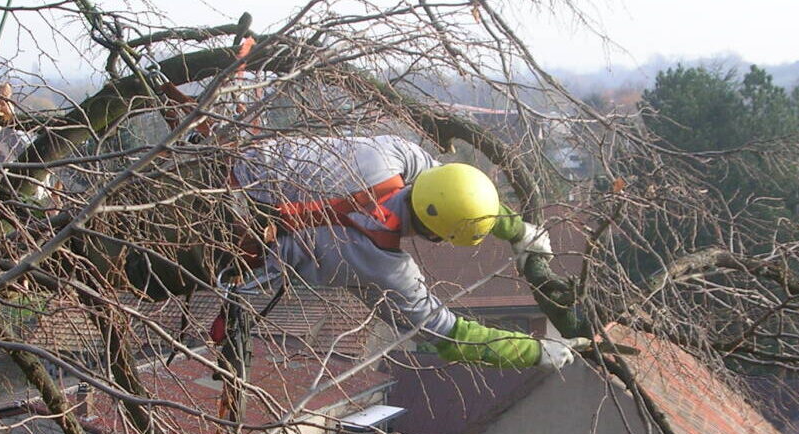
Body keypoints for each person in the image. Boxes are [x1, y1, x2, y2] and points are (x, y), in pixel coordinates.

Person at [225, 135, 582, 370]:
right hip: (223, 252)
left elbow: (451, 186)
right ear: (438, 238)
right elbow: (450, 335)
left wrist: (517, 230)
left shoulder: (391, 152)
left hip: (216, 169)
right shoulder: (385, 268)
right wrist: (536, 352)